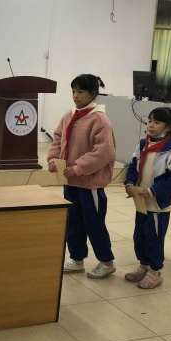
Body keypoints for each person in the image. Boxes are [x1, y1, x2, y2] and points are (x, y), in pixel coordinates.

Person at [47, 74, 117, 279]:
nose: (75, 96)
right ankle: (77, 259)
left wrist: (78, 168)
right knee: (74, 222)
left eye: (80, 92)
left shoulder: (99, 119)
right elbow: (57, 139)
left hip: (90, 184)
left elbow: (104, 152)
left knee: (94, 223)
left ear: (93, 94)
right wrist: (53, 159)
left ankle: (107, 262)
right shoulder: (69, 115)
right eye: (73, 91)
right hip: (70, 181)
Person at [124, 107, 171, 289]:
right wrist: (129, 183)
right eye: (149, 121)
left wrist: (152, 191)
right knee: (139, 236)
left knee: (154, 238)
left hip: (158, 205)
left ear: (168, 127)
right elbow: (133, 166)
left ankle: (155, 271)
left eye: (157, 122)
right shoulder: (143, 145)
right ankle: (144, 265)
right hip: (141, 202)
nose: (151, 125)